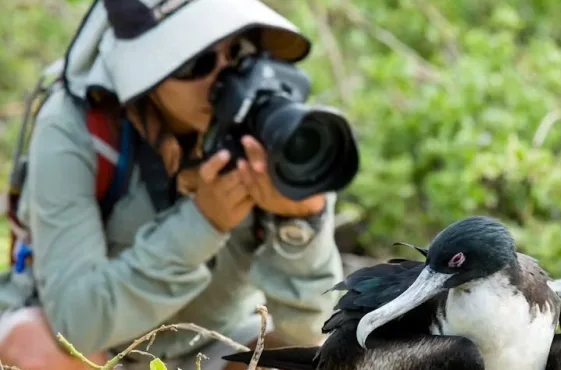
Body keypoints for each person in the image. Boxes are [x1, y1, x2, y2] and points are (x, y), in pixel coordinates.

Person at [0, 0, 344, 369]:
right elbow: (79, 324)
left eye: (238, 50)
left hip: (217, 336)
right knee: (44, 352)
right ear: (141, 70)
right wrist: (202, 223)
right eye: (196, 61)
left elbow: (312, 331)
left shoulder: (275, 130)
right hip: (88, 341)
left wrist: (300, 225)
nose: (225, 76)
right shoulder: (76, 126)